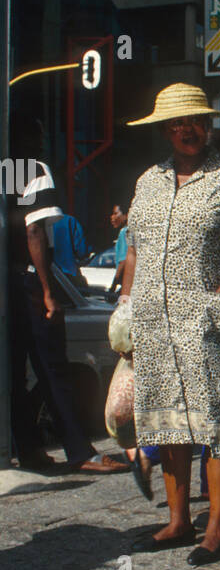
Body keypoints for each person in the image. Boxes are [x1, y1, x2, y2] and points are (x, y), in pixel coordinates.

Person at [121, 83, 220, 564]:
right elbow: (134, 248)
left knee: (215, 421)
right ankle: (177, 520)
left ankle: (217, 527)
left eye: (193, 120)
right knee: (168, 423)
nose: (185, 129)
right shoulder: (148, 180)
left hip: (208, 321)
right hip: (153, 320)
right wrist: (125, 305)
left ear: (208, 125)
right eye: (176, 123)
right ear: (165, 130)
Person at [6, 116, 127, 475]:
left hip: (7, 282)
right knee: (52, 367)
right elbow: (34, 232)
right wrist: (47, 290)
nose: (43, 143)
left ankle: (27, 450)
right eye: (38, 135)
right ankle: (80, 451)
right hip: (29, 281)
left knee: (14, 372)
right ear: (25, 136)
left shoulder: (6, 168)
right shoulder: (34, 169)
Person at [51, 211, 89, 285]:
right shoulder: (70, 221)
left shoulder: (36, 223)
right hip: (68, 278)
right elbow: (82, 251)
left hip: (43, 277)